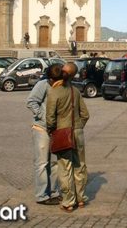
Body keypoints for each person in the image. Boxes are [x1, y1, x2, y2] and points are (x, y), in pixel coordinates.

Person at [46, 63, 90, 212]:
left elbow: (50, 118)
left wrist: (53, 131)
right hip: (78, 132)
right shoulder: (75, 91)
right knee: (80, 165)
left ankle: (69, 201)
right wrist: (78, 127)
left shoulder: (54, 92)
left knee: (65, 168)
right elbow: (85, 114)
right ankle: (81, 198)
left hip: (63, 132)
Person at [27, 65, 62, 205]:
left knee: (55, 163)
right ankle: (42, 195)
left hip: (56, 129)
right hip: (41, 128)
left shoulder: (61, 85)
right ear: (50, 79)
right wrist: (43, 117)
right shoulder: (42, 85)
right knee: (42, 163)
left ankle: (53, 191)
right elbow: (31, 102)